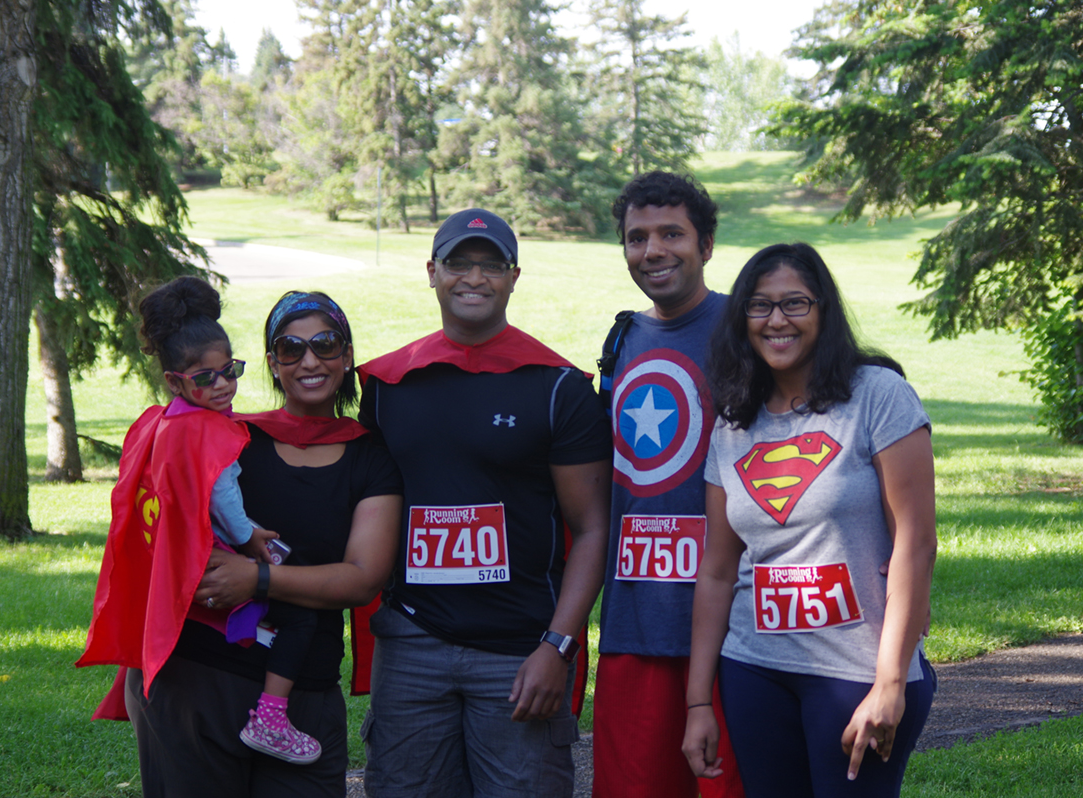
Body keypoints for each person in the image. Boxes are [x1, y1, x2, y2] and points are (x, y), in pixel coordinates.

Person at [80, 288, 402, 798]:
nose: (310, 360)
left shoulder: (371, 459)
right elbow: (164, 530)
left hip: (301, 693)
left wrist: (257, 577)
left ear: (347, 356)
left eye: (325, 343)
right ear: (273, 363)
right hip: (195, 682)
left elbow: (363, 578)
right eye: (291, 349)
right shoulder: (228, 439)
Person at [356, 208, 613, 798]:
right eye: (458, 263)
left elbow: (592, 529)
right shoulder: (390, 386)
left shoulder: (558, 388)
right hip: (412, 645)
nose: (473, 277)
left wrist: (559, 646)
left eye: (490, 264)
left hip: (521, 652)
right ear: (432, 272)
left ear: (514, 277)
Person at [682, 243, 937, 798]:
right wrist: (699, 701)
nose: (776, 320)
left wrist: (890, 682)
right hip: (754, 668)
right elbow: (718, 570)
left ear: (823, 309)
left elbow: (915, 544)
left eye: (794, 303)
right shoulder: (733, 421)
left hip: (857, 671)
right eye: (759, 305)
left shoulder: (878, 396)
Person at [592, 172, 745, 797]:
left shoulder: (750, 328)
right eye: (636, 237)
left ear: (705, 244)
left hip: (740, 626)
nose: (652, 250)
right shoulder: (622, 338)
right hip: (635, 623)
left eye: (671, 234)